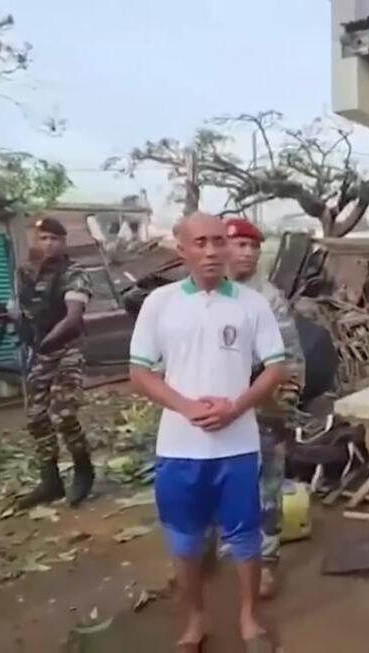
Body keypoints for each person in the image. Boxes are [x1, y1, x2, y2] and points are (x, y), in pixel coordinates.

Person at [129, 213, 287, 652]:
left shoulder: (252, 304)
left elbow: (277, 366)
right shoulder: (159, 304)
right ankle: (195, 621)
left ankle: (250, 618)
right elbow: (139, 373)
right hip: (179, 447)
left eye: (219, 241)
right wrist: (186, 406)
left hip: (237, 446)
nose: (212, 251)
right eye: (201, 242)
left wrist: (236, 406)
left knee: (245, 538)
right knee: (185, 540)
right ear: (182, 250)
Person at [225, 217, 305, 600]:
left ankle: (268, 561)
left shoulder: (267, 297)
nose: (247, 252)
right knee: (225, 481)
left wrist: (281, 405)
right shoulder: (210, 293)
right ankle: (228, 547)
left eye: (253, 246)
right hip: (222, 406)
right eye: (239, 245)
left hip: (265, 404)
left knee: (267, 487)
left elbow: (290, 356)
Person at [16, 217, 95, 509]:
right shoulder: (26, 273)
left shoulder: (74, 273)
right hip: (40, 349)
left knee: (64, 414)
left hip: (66, 348)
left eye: (55, 239)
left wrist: (48, 341)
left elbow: (73, 317)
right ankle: (50, 481)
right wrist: (26, 334)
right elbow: (25, 311)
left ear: (64, 243)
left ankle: (84, 469)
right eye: (43, 238)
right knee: (35, 416)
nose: (48, 244)